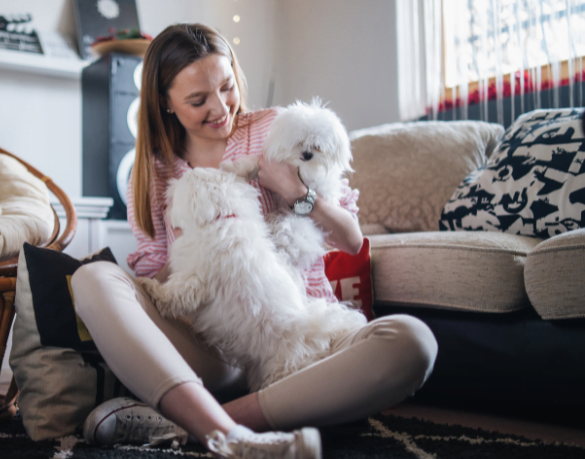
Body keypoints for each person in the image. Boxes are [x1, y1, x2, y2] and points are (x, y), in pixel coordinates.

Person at [71, 23, 438, 459]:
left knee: (413, 342)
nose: (220, 108)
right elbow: (156, 276)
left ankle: (206, 424)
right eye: (197, 100)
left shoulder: (278, 130)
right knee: (92, 278)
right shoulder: (151, 173)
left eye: (226, 87)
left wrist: (299, 195)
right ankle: (234, 424)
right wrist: (207, 246)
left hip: (293, 333)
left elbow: (349, 238)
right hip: (208, 348)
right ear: (164, 103)